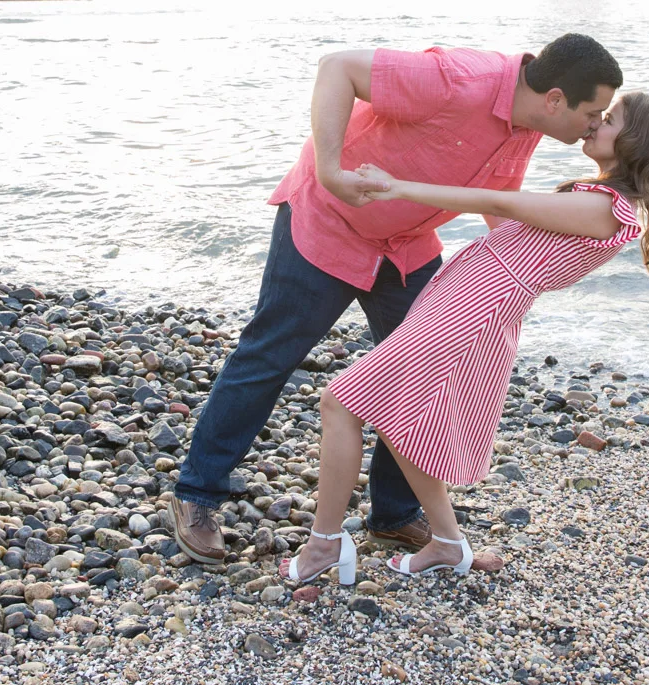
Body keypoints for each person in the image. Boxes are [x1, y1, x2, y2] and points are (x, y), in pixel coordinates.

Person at [172, 35, 624, 564]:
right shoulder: (459, 80)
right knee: (268, 355)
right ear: (555, 99)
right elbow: (337, 67)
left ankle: (394, 514)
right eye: (592, 113)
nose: (594, 124)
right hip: (326, 225)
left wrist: (514, 283)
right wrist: (330, 171)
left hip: (405, 246)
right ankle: (197, 494)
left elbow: (501, 205)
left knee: (416, 380)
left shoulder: (528, 126)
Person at [280, 92, 649, 585]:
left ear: (634, 140)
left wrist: (396, 187)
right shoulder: (599, 201)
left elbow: (497, 202)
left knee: (341, 401)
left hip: (474, 311)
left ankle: (325, 545)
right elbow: (510, 226)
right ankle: (447, 543)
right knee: (397, 419)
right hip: (469, 301)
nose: (595, 123)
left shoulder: (605, 208)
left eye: (609, 119)